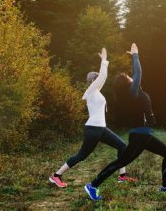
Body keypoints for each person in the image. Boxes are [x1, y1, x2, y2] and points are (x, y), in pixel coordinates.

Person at [85, 43, 166, 200]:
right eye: (129, 77)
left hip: (143, 136)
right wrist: (135, 55)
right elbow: (139, 72)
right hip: (139, 137)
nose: (131, 76)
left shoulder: (132, 93)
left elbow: (137, 77)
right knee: (120, 162)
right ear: (127, 82)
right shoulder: (132, 92)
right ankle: (93, 185)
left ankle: (165, 187)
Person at [49, 48, 136, 188]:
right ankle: (56, 175)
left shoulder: (97, 92)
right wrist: (103, 61)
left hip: (101, 128)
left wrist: (105, 63)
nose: (99, 80)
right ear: (93, 80)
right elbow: (102, 77)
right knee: (81, 156)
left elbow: (103, 77)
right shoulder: (90, 91)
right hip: (93, 129)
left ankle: (122, 176)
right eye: (97, 78)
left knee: (121, 146)